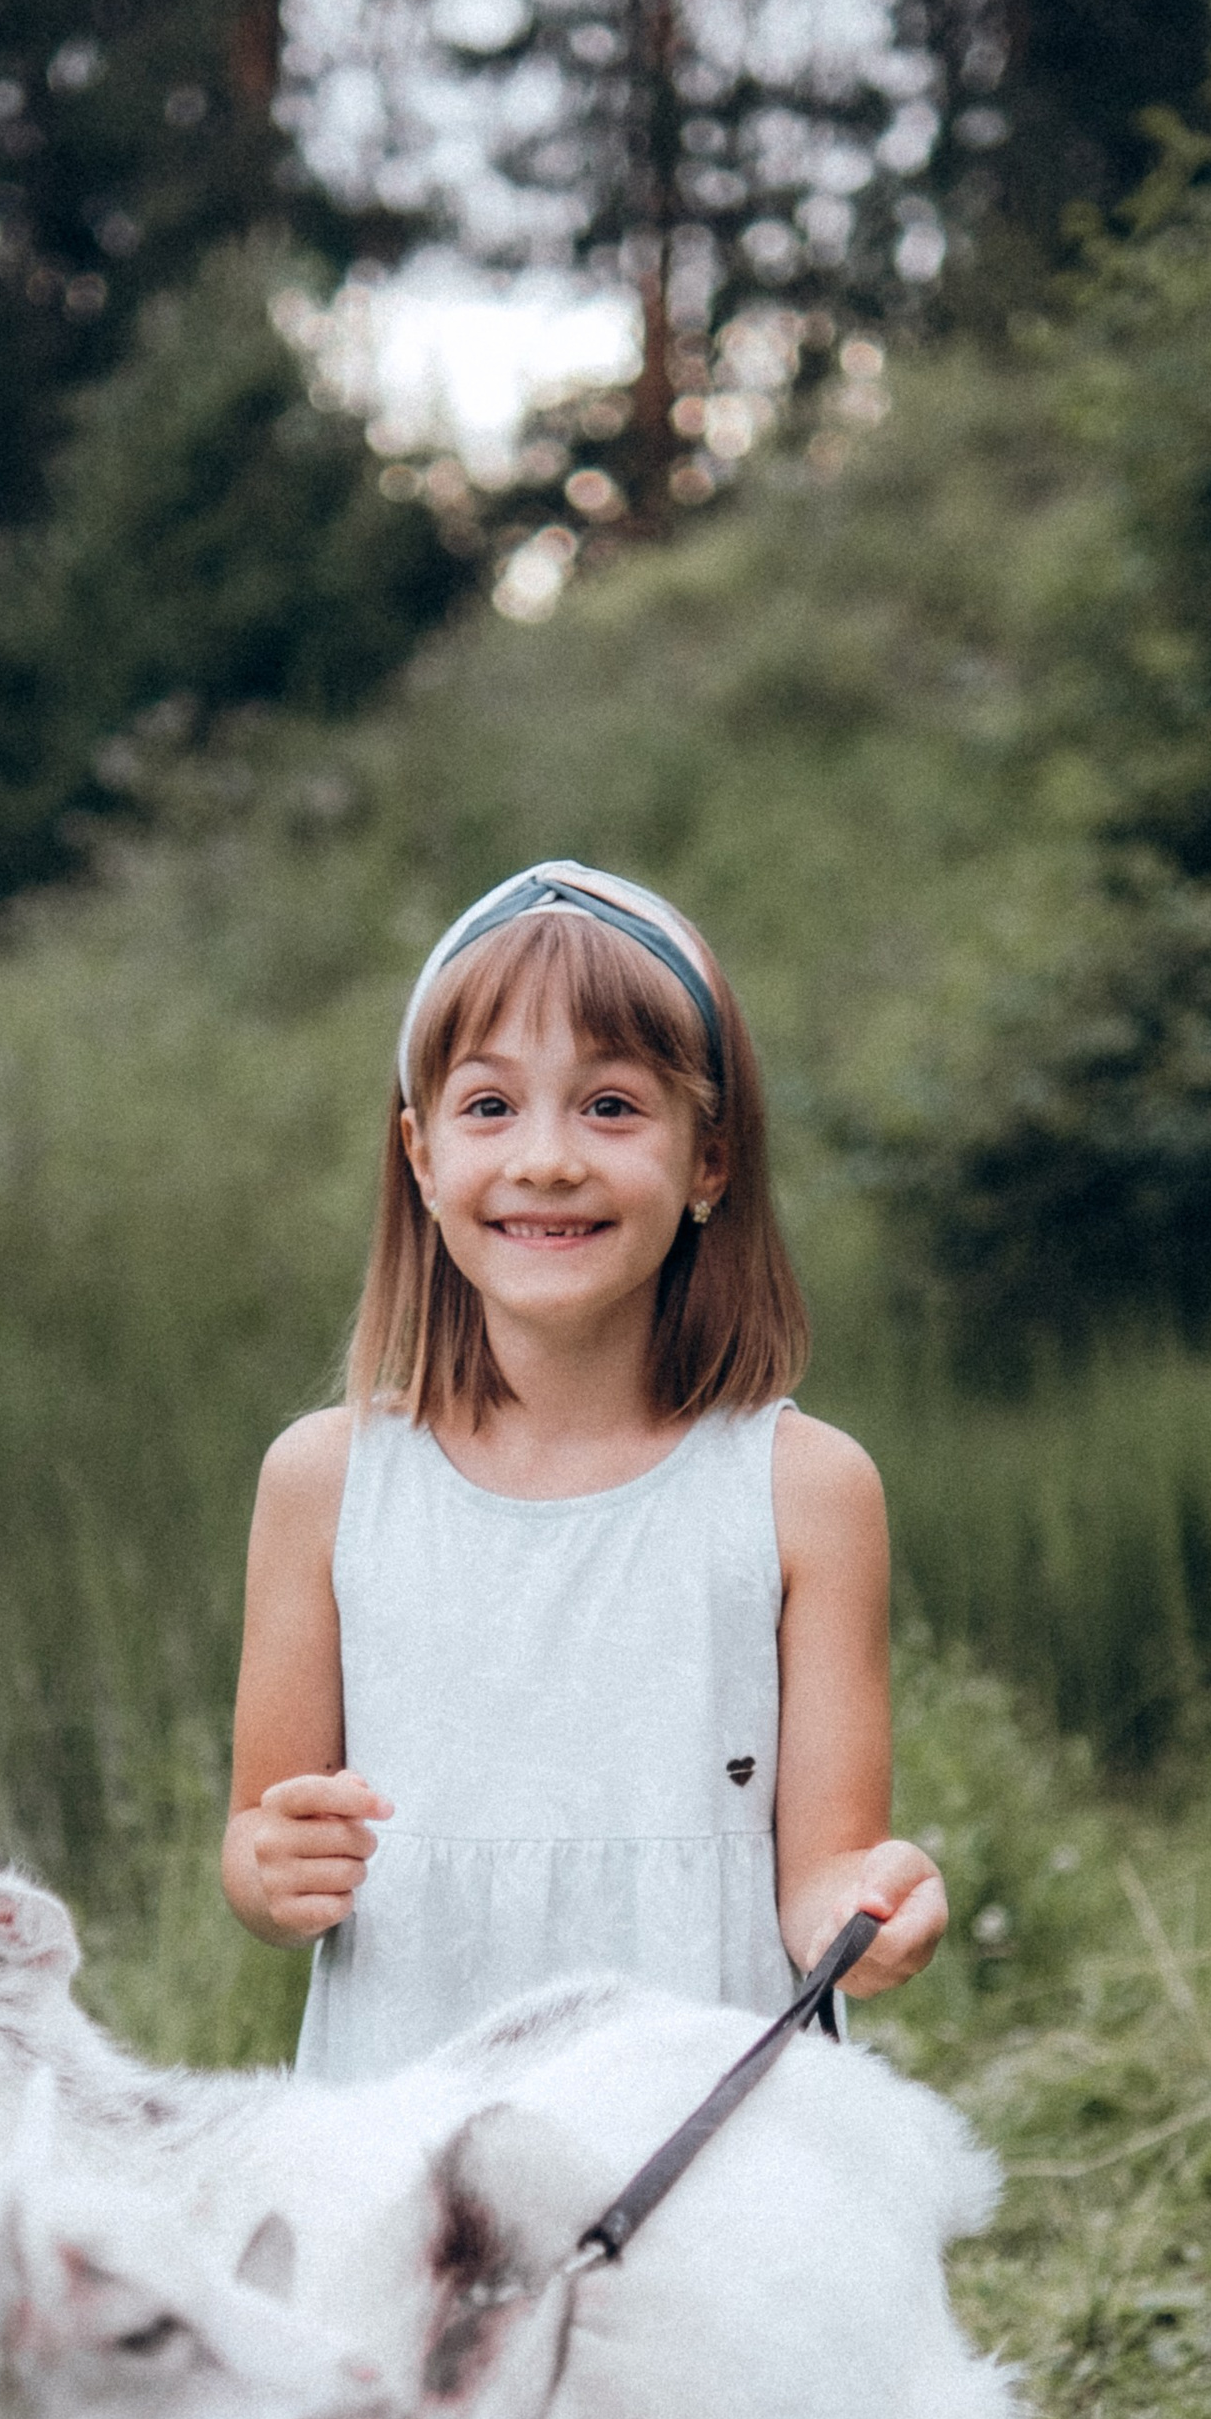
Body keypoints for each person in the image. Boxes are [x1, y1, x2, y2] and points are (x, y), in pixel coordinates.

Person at [222, 860, 946, 2080]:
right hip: (408, 2132)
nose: (547, 1160)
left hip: (701, 2135)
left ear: (709, 1159)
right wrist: (274, 1870)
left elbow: (822, 1873)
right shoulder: (325, 1480)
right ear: (419, 1153)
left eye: (610, 1107)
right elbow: (259, 1839)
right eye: (490, 1107)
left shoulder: (803, 1490)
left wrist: (868, 1916)